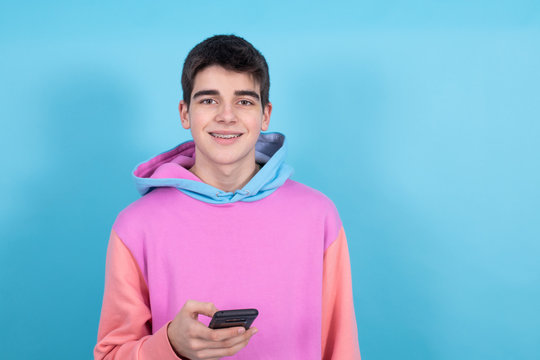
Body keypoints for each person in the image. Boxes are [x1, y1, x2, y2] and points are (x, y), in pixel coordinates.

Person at [95, 34, 361, 360]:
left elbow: (341, 347)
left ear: (265, 115)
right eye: (209, 100)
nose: (226, 115)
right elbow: (110, 355)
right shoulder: (135, 226)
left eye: (244, 101)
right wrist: (170, 346)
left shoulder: (318, 215)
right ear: (184, 113)